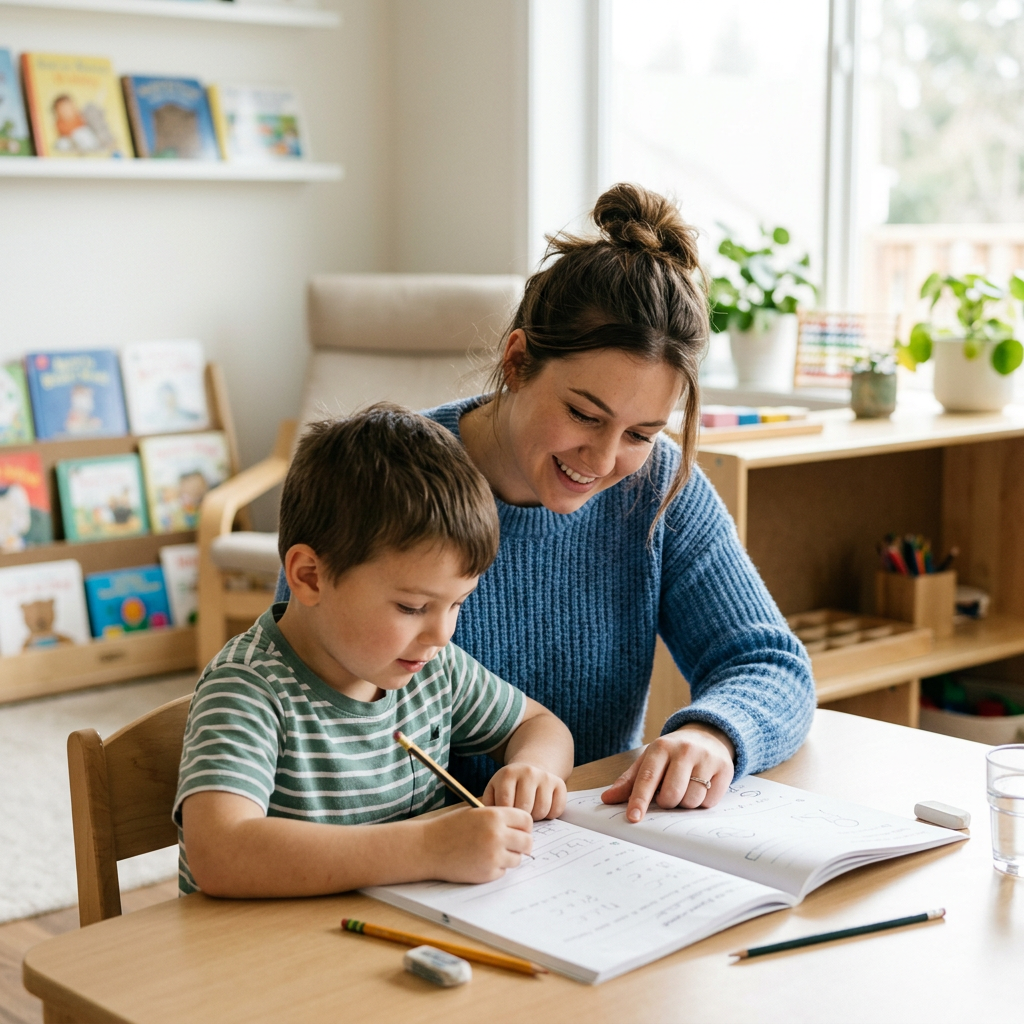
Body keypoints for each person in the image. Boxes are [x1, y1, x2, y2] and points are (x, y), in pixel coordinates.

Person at [276, 182, 815, 825]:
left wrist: (714, 733)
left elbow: (769, 664)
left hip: (588, 846)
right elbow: (294, 687)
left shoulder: (660, 490)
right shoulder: (389, 477)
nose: (603, 460)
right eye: (584, 415)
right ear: (517, 361)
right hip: (398, 850)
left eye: (641, 434)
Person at [176, 406, 573, 897]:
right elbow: (221, 852)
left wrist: (533, 770)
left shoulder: (434, 669)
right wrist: (427, 847)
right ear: (309, 576)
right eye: (412, 607)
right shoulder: (247, 688)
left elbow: (540, 725)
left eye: (457, 604)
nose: (441, 634)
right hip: (264, 944)